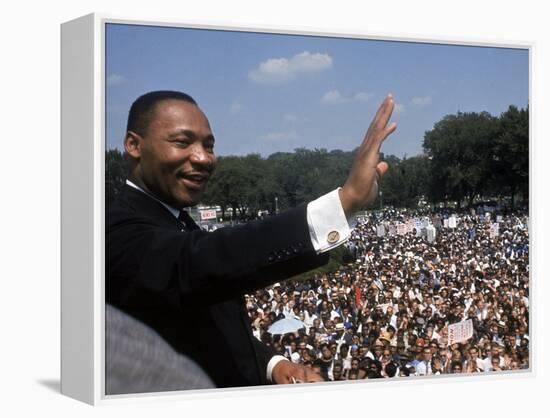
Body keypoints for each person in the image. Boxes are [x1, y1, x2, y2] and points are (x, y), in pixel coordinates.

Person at [106, 90, 397, 391]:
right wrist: (344, 201)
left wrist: (272, 364)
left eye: (209, 145)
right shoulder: (115, 231)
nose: (204, 158)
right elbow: (203, 261)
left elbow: (208, 327)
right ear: (134, 145)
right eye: (182, 142)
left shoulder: (178, 222)